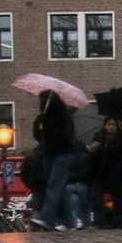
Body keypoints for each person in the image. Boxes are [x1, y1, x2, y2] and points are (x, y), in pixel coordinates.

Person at [31, 91, 77, 230]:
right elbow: (39, 136)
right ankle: (68, 221)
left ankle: (48, 218)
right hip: (49, 154)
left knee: (53, 186)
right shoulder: (44, 117)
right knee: (60, 189)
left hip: (62, 154)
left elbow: (66, 137)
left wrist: (50, 130)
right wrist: (38, 124)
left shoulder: (64, 117)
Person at [88, 116, 122, 228]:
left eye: (113, 124)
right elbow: (93, 151)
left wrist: (104, 147)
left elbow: (119, 150)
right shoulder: (99, 136)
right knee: (97, 199)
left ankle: (118, 222)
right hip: (100, 173)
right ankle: (99, 222)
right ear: (105, 125)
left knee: (118, 199)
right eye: (108, 124)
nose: (111, 127)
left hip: (116, 173)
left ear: (116, 126)